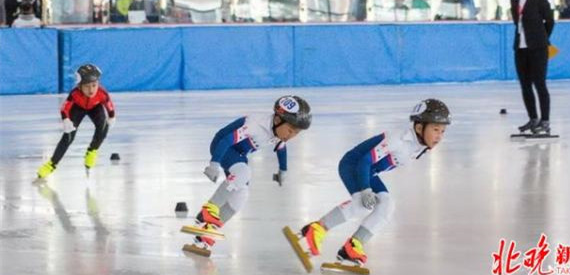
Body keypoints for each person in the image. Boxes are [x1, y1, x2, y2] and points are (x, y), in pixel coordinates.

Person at [292, 99, 450, 267]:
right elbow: (365, 160)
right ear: (419, 127)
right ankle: (317, 229)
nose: (439, 136)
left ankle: (353, 246)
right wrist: (366, 189)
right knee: (363, 202)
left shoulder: (419, 144)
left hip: (370, 171)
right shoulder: (398, 139)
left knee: (387, 205)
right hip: (354, 165)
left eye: (442, 131)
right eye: (435, 129)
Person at [186, 96, 312, 254]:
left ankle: (207, 232)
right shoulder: (254, 124)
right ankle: (208, 210)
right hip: (223, 147)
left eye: (296, 133)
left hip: (239, 155)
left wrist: (283, 170)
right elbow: (225, 141)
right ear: (278, 119)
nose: (291, 136)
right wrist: (214, 164)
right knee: (243, 172)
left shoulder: (280, 132)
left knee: (241, 195)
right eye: (290, 130)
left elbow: (281, 148)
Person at [36, 64, 115, 179]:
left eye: (94, 85)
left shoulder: (101, 93)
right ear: (79, 86)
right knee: (68, 137)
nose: (91, 90)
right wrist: (66, 119)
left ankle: (92, 150)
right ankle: (51, 165)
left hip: (95, 107)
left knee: (103, 126)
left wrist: (112, 116)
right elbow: (65, 107)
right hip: (78, 108)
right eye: (87, 86)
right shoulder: (75, 94)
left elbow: (109, 104)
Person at [510, 0, 554, 135]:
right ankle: (533, 118)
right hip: (520, 48)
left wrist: (541, 39)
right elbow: (517, 23)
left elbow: (549, 21)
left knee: (539, 84)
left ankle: (545, 120)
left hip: (538, 48)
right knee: (525, 85)